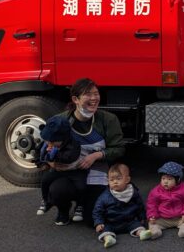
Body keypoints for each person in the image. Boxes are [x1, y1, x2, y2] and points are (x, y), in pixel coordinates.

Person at [46, 78, 125, 225]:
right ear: (75, 99)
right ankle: (63, 210)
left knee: (91, 220)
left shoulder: (108, 119)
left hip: (97, 171)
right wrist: (51, 162)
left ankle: (83, 204)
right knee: (57, 190)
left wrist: (96, 155)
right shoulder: (59, 121)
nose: (94, 98)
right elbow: (46, 148)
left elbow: (119, 149)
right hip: (70, 171)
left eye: (96, 94)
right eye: (88, 94)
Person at [36, 115, 83, 218]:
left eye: (52, 141)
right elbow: (40, 153)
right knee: (45, 180)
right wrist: (43, 162)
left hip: (74, 170)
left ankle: (80, 205)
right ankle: (46, 200)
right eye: (47, 140)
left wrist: (55, 154)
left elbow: (69, 157)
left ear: (63, 138)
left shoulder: (73, 143)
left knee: (81, 186)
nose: (49, 143)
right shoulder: (48, 143)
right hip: (58, 169)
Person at [93, 164, 148, 248]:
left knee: (138, 225)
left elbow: (140, 206)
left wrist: (142, 218)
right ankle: (108, 238)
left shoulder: (133, 192)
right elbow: (97, 210)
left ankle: (141, 233)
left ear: (127, 179)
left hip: (129, 221)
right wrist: (98, 222)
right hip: (111, 222)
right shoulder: (105, 196)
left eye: (118, 179)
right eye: (111, 180)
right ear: (108, 181)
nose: (115, 182)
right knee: (104, 229)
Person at [141, 161, 184, 239]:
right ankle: (155, 232)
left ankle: (183, 231)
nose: (165, 181)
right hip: (162, 218)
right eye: (163, 178)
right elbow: (152, 204)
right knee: (152, 223)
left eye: (169, 179)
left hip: (179, 217)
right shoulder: (156, 191)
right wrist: (152, 216)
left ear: (178, 180)